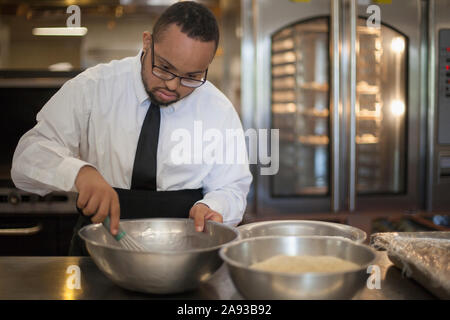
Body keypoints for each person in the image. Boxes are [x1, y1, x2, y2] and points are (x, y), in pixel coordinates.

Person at [11, 1, 252, 255]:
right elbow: (28, 157)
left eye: (191, 76)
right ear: (146, 42)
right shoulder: (93, 88)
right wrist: (80, 173)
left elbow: (231, 187)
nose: (172, 85)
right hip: (96, 258)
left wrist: (214, 207)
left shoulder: (218, 109)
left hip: (185, 259)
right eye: (165, 68)